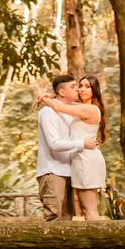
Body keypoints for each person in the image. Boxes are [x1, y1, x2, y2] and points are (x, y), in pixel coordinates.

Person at [35, 74, 107, 221]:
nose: (81, 90)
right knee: (88, 209)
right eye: (79, 86)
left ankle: (98, 242)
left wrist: (43, 97)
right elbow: (61, 104)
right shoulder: (79, 108)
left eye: (88, 87)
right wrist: (51, 96)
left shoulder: (89, 109)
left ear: (95, 90)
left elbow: (57, 105)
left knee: (89, 209)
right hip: (78, 160)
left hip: (85, 160)